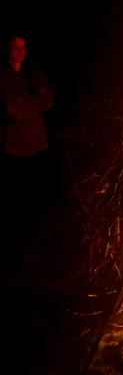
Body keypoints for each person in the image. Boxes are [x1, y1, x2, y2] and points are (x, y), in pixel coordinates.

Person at [0, 34, 55, 256]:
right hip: (14, 147)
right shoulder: (2, 75)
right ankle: (11, 246)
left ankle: (29, 243)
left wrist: (28, 103)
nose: (20, 52)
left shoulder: (32, 74)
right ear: (7, 50)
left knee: (34, 197)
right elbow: (12, 109)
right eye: (15, 48)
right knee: (14, 198)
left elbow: (49, 100)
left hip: (37, 145)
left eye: (23, 47)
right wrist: (34, 104)